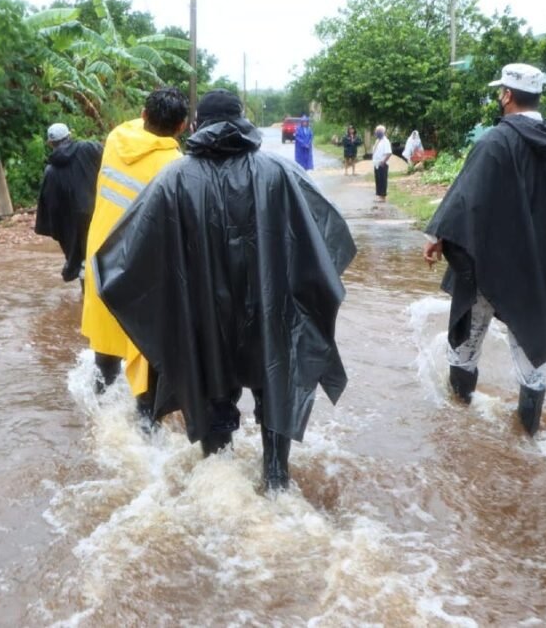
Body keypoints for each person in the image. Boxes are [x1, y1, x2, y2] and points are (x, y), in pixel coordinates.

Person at [94, 90, 357, 491]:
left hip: (203, 317)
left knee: (212, 392)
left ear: (197, 126)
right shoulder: (278, 173)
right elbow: (329, 237)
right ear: (242, 122)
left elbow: (124, 261)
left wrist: (162, 315)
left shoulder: (173, 179)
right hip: (269, 311)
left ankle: (222, 490)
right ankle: (275, 480)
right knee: (274, 384)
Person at [423, 63, 546, 435]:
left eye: (501, 92)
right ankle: (529, 438)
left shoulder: (494, 142)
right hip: (536, 269)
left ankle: (459, 425)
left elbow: (467, 199)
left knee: (468, 340)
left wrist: (438, 236)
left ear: (507, 95)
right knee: (530, 347)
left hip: (491, 265)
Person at [81, 87, 188, 411]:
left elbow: (140, 126)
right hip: (140, 271)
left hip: (101, 260)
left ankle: (97, 412)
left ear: (143, 115)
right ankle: (144, 429)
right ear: (182, 126)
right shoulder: (177, 166)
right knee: (145, 353)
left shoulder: (116, 138)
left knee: (106, 347)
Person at [34, 123, 103, 286]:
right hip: (99, 214)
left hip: (71, 226)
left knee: (81, 262)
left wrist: (56, 230)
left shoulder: (50, 171)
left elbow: (51, 206)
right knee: (101, 257)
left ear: (50, 143)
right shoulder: (89, 148)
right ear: (69, 136)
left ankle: (85, 298)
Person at [371, 125, 391, 202]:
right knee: (378, 179)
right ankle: (379, 195)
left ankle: (383, 196)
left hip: (383, 163)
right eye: (376, 131)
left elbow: (389, 153)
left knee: (383, 179)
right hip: (376, 163)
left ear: (382, 132)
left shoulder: (386, 141)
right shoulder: (377, 141)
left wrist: (384, 161)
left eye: (378, 131)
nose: (376, 132)